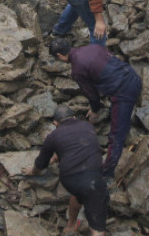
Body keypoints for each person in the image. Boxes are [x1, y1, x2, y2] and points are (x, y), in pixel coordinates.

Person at [25, 106, 109, 236]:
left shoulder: (53, 137)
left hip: (70, 180)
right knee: (98, 230)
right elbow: (80, 145)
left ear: (56, 124)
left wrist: (33, 172)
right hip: (93, 181)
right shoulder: (87, 127)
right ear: (74, 117)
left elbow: (41, 164)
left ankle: (71, 225)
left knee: (78, 193)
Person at [48, 39, 142, 179]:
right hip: (132, 76)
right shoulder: (92, 47)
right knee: (119, 111)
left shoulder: (77, 69)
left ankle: (107, 171)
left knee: (116, 134)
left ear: (60, 55)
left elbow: (92, 95)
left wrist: (94, 109)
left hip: (123, 92)